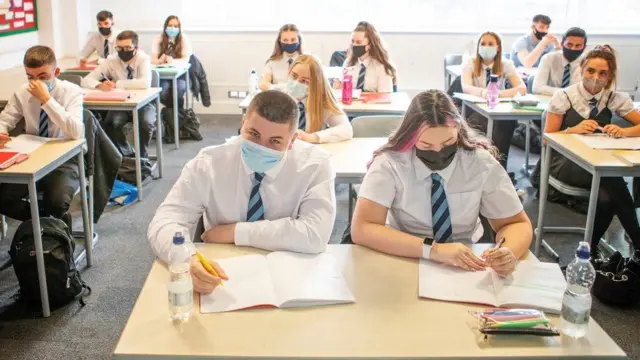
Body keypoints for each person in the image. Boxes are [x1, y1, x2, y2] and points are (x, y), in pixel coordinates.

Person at [148, 90, 336, 293]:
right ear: (243, 122)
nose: (260, 147)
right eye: (253, 134)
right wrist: (187, 258)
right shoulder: (209, 163)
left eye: (274, 141)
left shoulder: (315, 165)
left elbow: (315, 234)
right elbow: (164, 221)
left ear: (292, 141)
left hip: (288, 273)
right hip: (222, 271)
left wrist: (235, 231)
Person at [351, 90, 531, 275]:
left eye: (448, 143)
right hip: (403, 254)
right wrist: (433, 250)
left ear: (458, 131)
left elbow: (516, 223)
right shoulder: (391, 163)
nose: (438, 152)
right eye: (426, 146)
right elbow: (363, 228)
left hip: (465, 261)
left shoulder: (479, 163)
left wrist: (509, 252)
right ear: (411, 139)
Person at [545, 45, 640, 258]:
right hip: (567, 163)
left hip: (597, 161)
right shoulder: (565, 96)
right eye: (591, 71)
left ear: (610, 76)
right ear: (582, 69)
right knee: (613, 183)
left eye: (603, 73)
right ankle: (637, 240)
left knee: (607, 194)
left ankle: (591, 247)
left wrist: (623, 131)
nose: (596, 77)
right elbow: (546, 138)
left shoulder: (613, 98)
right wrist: (572, 130)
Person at [0, 46, 84, 222]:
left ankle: (51, 225)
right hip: (33, 156)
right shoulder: (22, 92)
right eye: (31, 77)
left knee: (56, 201)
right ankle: (49, 224)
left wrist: (47, 100)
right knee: (3, 199)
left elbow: (76, 132)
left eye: (43, 77)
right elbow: (5, 120)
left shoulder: (72, 91)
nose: (36, 82)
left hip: (65, 159)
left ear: (56, 72)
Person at [81, 30, 155, 159]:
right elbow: (87, 80)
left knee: (146, 123)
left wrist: (118, 83)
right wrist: (99, 85)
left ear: (136, 48)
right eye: (119, 48)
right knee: (111, 123)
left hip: (144, 104)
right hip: (121, 105)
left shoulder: (143, 59)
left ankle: (142, 158)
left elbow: (144, 83)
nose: (123, 51)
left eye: (128, 48)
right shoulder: (111, 60)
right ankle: (126, 156)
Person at [461, 31, 527, 170]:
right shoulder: (470, 62)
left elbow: (522, 88)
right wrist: (483, 93)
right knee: (484, 124)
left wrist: (500, 94)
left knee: (506, 122)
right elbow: (466, 86)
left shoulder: (506, 64)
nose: (486, 47)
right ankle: (480, 167)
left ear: (498, 47)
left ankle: (499, 168)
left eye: (490, 44)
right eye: (483, 43)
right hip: (475, 108)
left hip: (497, 108)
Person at [287, 54, 353, 144]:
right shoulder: (277, 96)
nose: (296, 83)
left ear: (315, 84)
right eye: (294, 76)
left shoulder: (322, 101)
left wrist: (312, 137)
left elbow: (346, 130)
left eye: (305, 81)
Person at [336, 21, 396, 93]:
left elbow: (386, 97)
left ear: (370, 45)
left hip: (374, 104)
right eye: (353, 41)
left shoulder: (381, 66)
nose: (354, 45)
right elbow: (340, 90)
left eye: (359, 42)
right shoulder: (348, 63)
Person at [151, 15, 192, 108]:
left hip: (181, 75)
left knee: (178, 90)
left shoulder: (184, 39)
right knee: (163, 91)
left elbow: (186, 60)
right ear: (165, 26)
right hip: (164, 75)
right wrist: (159, 61)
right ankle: (172, 114)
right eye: (170, 25)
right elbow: (153, 59)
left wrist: (172, 61)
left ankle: (176, 115)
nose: (172, 28)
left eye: (176, 26)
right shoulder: (158, 38)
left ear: (179, 28)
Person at [533, 27, 587, 96]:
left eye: (578, 46)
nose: (573, 48)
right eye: (569, 45)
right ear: (562, 44)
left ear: (584, 47)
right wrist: (566, 92)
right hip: (551, 101)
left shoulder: (588, 62)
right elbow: (537, 88)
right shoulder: (548, 58)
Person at [259, 24, 303, 91]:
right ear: (279, 41)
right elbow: (263, 85)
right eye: (285, 40)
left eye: (293, 40)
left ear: (299, 40)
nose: (289, 43)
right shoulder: (272, 62)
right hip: (279, 99)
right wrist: (281, 88)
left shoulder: (307, 61)